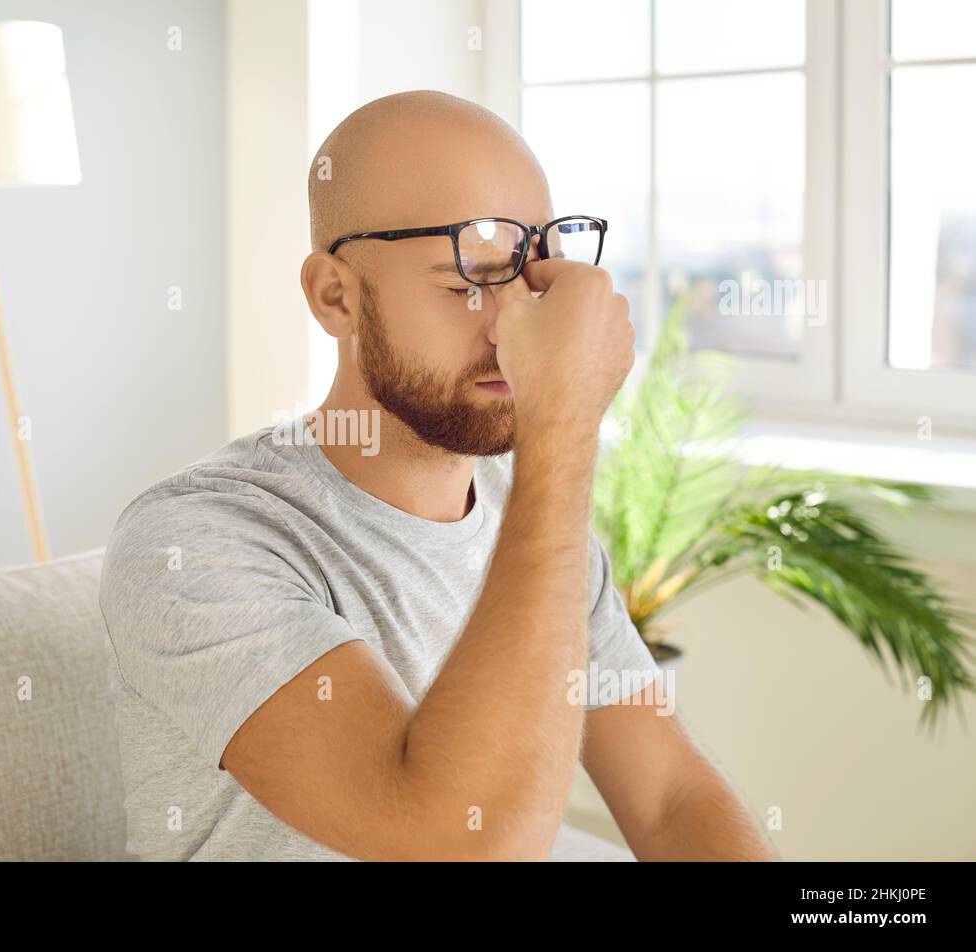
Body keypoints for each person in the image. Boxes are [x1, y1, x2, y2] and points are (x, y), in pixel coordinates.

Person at [100, 89, 777, 861]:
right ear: (335, 297)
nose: (513, 325)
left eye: (532, 279)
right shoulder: (193, 543)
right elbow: (457, 841)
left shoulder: (532, 529)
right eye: (467, 284)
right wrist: (563, 426)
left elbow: (668, 800)